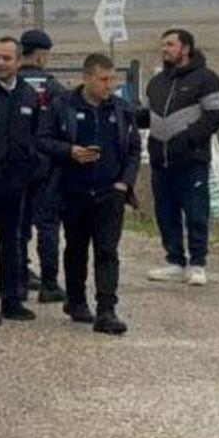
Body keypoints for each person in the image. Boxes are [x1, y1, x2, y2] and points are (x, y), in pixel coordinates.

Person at [40, 54, 139, 335]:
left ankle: (107, 310)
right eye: (103, 79)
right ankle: (76, 299)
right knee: (76, 248)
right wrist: (70, 151)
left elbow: (133, 149)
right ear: (87, 78)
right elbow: (43, 140)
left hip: (110, 192)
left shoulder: (121, 109)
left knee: (107, 250)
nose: (109, 85)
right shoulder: (62, 106)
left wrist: (125, 183)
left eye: (112, 79)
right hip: (74, 191)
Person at [137, 29, 219, 286]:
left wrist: (187, 138)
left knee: (196, 212)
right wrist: (133, 117)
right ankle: (174, 260)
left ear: (185, 48)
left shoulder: (206, 79)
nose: (164, 49)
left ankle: (198, 263)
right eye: (163, 45)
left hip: (191, 160)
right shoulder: (157, 82)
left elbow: (216, 115)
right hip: (160, 160)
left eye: (170, 44)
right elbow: (152, 115)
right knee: (165, 212)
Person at [0, 37, 45, 326]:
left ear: (18, 61)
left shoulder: (28, 95)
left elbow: (35, 135)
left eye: (6, 58)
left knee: (13, 243)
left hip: (15, 185)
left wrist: (31, 168)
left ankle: (11, 300)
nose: (0, 63)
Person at [18, 28, 66, 303]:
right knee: (48, 225)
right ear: (40, 55)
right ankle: (49, 284)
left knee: (17, 225)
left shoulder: (10, 84)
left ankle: (19, 279)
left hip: (17, 165)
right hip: (47, 165)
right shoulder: (53, 86)